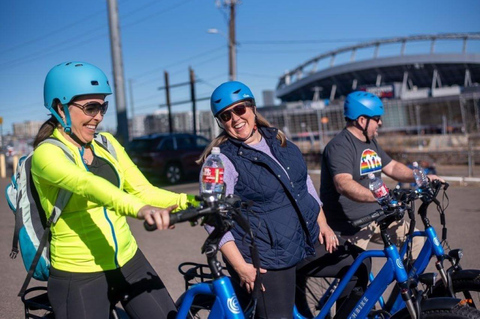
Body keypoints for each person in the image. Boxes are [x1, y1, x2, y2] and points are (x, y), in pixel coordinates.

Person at [32, 61, 197, 319]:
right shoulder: (46, 154)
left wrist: (192, 202)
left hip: (128, 260)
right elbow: (87, 185)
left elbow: (143, 189)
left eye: (102, 106)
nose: (98, 116)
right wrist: (140, 210)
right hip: (79, 272)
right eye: (90, 107)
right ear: (59, 108)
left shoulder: (106, 144)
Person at [198, 81, 370, 319]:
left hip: (304, 240)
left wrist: (323, 224)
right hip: (266, 257)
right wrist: (241, 267)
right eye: (226, 116)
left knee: (358, 266)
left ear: (252, 108)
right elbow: (213, 216)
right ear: (220, 122)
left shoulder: (279, 141)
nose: (235, 119)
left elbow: (305, 185)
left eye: (240, 109)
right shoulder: (222, 161)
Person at [320, 91, 443, 257]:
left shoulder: (370, 142)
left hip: (377, 216)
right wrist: (380, 196)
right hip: (351, 225)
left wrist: (422, 178)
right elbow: (343, 183)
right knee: (358, 274)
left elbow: (391, 167)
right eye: (377, 118)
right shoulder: (340, 146)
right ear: (362, 120)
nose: (380, 122)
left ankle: (404, 283)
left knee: (416, 241)